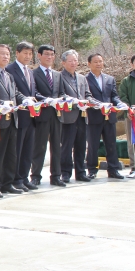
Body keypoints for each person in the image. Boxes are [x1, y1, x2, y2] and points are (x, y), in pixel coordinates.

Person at [0, 44, 25, 196]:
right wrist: (2, 103)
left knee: (11, 154)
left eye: (8, 54)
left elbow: (15, 93)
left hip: (12, 118)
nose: (6, 57)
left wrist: (25, 99)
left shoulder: (9, 75)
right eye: (2, 54)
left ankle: (7, 183)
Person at [85, 53, 126, 180]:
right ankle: (92, 169)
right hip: (94, 116)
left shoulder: (110, 79)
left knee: (111, 144)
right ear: (89, 64)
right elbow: (87, 96)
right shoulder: (85, 79)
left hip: (109, 117)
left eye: (100, 61)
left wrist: (119, 103)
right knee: (93, 145)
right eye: (95, 62)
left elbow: (114, 95)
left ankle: (113, 169)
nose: (98, 64)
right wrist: (99, 104)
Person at [6, 41, 38, 191]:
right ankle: (16, 179)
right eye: (25, 53)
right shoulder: (10, 69)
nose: (28, 56)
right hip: (18, 116)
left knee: (27, 150)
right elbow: (14, 92)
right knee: (17, 150)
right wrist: (24, 100)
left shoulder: (30, 71)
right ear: (17, 53)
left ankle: (24, 177)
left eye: (30, 54)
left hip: (31, 116)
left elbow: (33, 92)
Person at [31, 45, 65, 187]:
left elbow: (61, 92)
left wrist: (63, 99)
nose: (49, 57)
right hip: (42, 115)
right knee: (39, 146)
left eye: (52, 54)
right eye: (46, 54)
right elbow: (34, 92)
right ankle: (35, 176)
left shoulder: (58, 74)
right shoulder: (33, 73)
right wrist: (47, 100)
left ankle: (56, 176)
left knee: (57, 147)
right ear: (39, 55)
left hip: (57, 115)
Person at [58, 49, 92, 183]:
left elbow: (87, 94)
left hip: (82, 115)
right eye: (70, 61)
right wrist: (74, 101)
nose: (73, 63)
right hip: (68, 116)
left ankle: (81, 172)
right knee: (66, 146)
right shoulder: (59, 77)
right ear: (63, 62)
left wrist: (90, 102)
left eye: (75, 60)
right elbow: (61, 94)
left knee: (81, 145)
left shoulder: (82, 77)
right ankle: (65, 172)